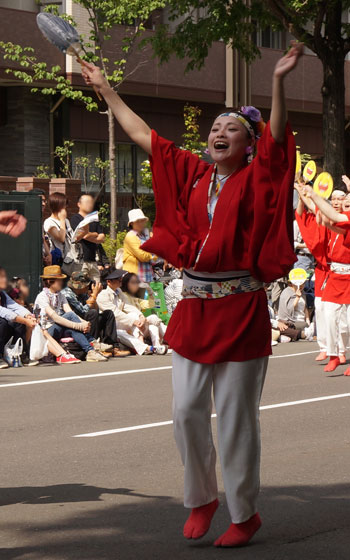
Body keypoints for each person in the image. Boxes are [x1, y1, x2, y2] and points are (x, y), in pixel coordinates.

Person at [82, 41, 303, 547]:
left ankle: (244, 514)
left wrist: (277, 83)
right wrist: (107, 90)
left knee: (236, 420)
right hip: (194, 307)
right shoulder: (194, 174)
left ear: (248, 145)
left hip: (241, 307)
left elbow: (275, 138)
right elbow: (144, 135)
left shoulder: (260, 177)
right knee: (185, 411)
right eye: (215, 128)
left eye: (232, 130)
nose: (219, 133)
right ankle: (202, 498)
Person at [301, 184, 350, 375]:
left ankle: (341, 353)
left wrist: (313, 194)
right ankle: (334, 355)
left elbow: (334, 217)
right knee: (328, 316)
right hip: (337, 276)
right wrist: (304, 194)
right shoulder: (343, 221)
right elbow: (318, 211)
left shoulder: (345, 219)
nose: (344, 204)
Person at [34, 265, 107, 362]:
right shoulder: (42, 297)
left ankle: (90, 351)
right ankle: (92, 342)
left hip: (58, 327)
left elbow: (69, 311)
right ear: (49, 281)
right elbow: (55, 317)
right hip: (46, 330)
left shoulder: (60, 295)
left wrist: (84, 323)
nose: (61, 282)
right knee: (71, 320)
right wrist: (79, 325)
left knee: (73, 328)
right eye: (58, 280)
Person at [61, 271, 130, 358]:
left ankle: (112, 347)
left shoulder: (82, 293)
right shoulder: (67, 294)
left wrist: (94, 296)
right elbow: (84, 311)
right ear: (80, 286)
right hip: (71, 323)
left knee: (108, 313)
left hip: (84, 321)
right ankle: (94, 347)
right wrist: (94, 295)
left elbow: (95, 309)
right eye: (87, 285)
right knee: (92, 314)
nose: (88, 287)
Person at [97, 269, 158, 355]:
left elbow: (128, 306)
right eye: (117, 279)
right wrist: (134, 321)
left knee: (134, 315)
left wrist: (140, 316)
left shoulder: (119, 292)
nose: (120, 281)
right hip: (109, 327)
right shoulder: (102, 295)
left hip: (121, 322)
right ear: (109, 282)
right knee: (121, 332)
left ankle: (142, 342)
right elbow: (115, 313)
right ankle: (146, 347)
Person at [121, 272, 168, 354]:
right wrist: (141, 318)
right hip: (130, 325)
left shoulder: (135, 295)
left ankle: (157, 347)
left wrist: (150, 291)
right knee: (153, 317)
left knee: (153, 327)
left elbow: (153, 304)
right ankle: (169, 339)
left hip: (141, 323)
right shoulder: (123, 295)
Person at [0, 266, 37, 369]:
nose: (5, 279)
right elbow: (3, 312)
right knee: (2, 322)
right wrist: (25, 320)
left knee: (19, 322)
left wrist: (28, 315)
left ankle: (20, 354)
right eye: (1, 277)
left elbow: (14, 306)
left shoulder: (2, 293)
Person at [44, 192, 86, 275]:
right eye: (64, 205)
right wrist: (62, 219)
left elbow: (72, 238)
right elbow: (61, 238)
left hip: (71, 258)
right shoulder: (49, 222)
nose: (66, 207)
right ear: (58, 206)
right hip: (59, 260)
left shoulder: (66, 221)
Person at [70, 194, 105, 283]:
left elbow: (102, 238)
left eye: (91, 202)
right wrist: (95, 234)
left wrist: (90, 235)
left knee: (97, 286)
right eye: (87, 202)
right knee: (80, 286)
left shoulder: (94, 219)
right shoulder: (75, 218)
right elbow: (82, 235)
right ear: (79, 204)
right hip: (81, 261)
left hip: (93, 260)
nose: (89, 204)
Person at [123, 209, 155, 282]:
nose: (141, 223)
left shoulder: (145, 235)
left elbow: (154, 260)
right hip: (135, 277)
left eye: (142, 220)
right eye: (138, 221)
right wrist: (153, 254)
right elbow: (142, 256)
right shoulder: (131, 236)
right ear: (131, 223)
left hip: (148, 276)